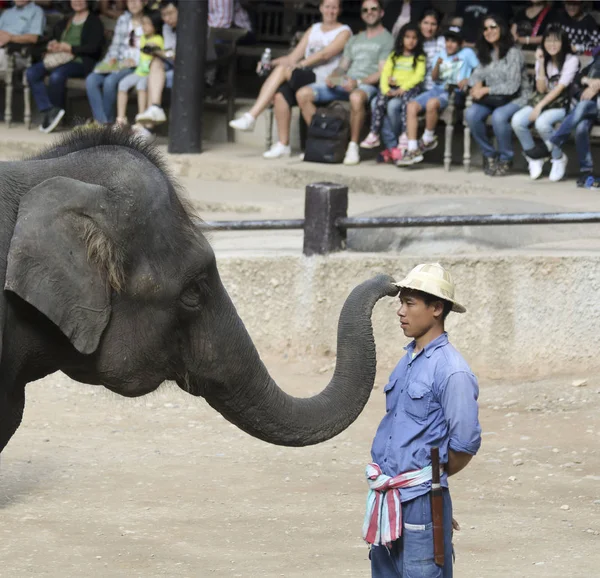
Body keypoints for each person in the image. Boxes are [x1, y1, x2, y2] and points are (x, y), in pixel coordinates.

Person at [366, 262, 481, 578]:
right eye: (400, 303)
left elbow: (465, 445)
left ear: (436, 308)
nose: (401, 312)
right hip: (389, 498)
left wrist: (434, 488)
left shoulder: (452, 371)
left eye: (410, 303)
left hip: (420, 500)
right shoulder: (408, 362)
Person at [228, 0, 351, 160]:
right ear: (321, 8)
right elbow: (292, 57)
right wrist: (269, 63)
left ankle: (251, 116)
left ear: (339, 10)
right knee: (281, 95)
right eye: (327, 7)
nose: (330, 11)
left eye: (334, 7)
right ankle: (283, 145)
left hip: (324, 78)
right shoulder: (313, 29)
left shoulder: (344, 31)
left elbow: (325, 54)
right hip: (305, 74)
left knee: (284, 71)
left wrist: (300, 65)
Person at [295, 0, 393, 165]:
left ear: (381, 13)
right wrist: (334, 77)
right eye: (365, 10)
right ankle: (325, 140)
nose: (369, 12)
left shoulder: (387, 39)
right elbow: (343, 66)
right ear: (361, 14)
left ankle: (352, 147)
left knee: (356, 98)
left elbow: (382, 73)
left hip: (367, 85)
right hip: (346, 82)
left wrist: (358, 81)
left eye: (374, 9)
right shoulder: (355, 39)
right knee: (303, 94)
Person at [396, 25, 478, 166]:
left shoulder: (467, 53)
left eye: (454, 41)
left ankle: (427, 138)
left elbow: (480, 70)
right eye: (447, 40)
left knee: (432, 104)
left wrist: (468, 80)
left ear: (461, 43)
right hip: (436, 89)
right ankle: (412, 149)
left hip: (453, 93)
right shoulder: (441, 54)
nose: (449, 44)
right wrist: (437, 65)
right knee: (411, 106)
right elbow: (434, 78)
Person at [465, 14, 531, 176]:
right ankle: (489, 154)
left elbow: (513, 86)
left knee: (498, 117)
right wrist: (477, 85)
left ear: (502, 28)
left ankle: (506, 157)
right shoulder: (485, 52)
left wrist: (485, 90)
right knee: (471, 114)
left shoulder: (513, 53)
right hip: (495, 98)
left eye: (493, 27)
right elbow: (476, 75)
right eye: (486, 28)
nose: (489, 31)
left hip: (517, 97)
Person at [26, 0, 104, 134]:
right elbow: (53, 39)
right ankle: (49, 110)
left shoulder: (94, 21)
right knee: (32, 72)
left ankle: (56, 115)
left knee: (57, 75)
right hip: (59, 59)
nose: (77, 2)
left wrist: (71, 48)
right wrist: (52, 46)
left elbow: (94, 49)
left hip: (81, 62)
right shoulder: (66, 20)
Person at [511, 25, 578, 181]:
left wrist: (539, 107)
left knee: (542, 123)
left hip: (564, 103)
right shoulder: (543, 59)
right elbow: (541, 89)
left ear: (564, 43)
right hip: (544, 100)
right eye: (548, 41)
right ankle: (534, 157)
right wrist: (540, 63)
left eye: (556, 41)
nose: (552, 45)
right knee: (517, 121)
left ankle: (558, 157)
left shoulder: (571, 60)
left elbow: (560, 89)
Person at [380, 9, 444, 164]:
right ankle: (396, 147)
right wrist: (392, 80)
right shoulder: (412, 40)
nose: (429, 27)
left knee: (395, 106)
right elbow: (398, 65)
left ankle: (400, 147)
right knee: (385, 104)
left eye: (433, 24)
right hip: (408, 88)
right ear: (419, 24)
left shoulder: (440, 42)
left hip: (427, 89)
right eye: (426, 23)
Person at [359, 22, 425, 153]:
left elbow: (419, 76)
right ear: (401, 39)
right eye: (407, 37)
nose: (410, 41)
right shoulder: (394, 55)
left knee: (407, 102)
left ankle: (405, 134)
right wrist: (385, 89)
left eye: (414, 38)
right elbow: (386, 73)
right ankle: (374, 133)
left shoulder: (419, 57)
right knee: (379, 101)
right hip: (393, 86)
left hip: (409, 88)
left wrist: (404, 87)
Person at [545, 46, 600, 185]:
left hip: (592, 106)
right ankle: (586, 172)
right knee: (581, 127)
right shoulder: (597, 59)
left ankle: (554, 141)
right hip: (591, 107)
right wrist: (590, 83)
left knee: (582, 106)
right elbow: (578, 76)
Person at [85, 0, 145, 126]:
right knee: (91, 79)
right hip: (118, 62)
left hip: (136, 65)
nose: (133, 3)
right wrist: (110, 60)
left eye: (137, 0)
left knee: (110, 81)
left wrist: (134, 60)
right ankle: (103, 122)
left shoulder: (148, 20)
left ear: (144, 2)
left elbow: (149, 47)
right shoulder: (123, 19)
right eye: (130, 1)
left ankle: (107, 123)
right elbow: (115, 45)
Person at [115, 8, 163, 126]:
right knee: (122, 84)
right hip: (139, 71)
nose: (144, 27)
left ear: (155, 26)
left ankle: (141, 118)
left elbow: (156, 49)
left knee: (141, 86)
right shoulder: (141, 38)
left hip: (149, 74)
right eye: (143, 24)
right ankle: (121, 119)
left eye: (147, 24)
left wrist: (152, 47)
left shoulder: (159, 39)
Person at [0, 0, 45, 74]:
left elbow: (33, 38)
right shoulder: (7, 12)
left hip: (18, 53)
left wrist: (10, 38)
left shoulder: (37, 11)